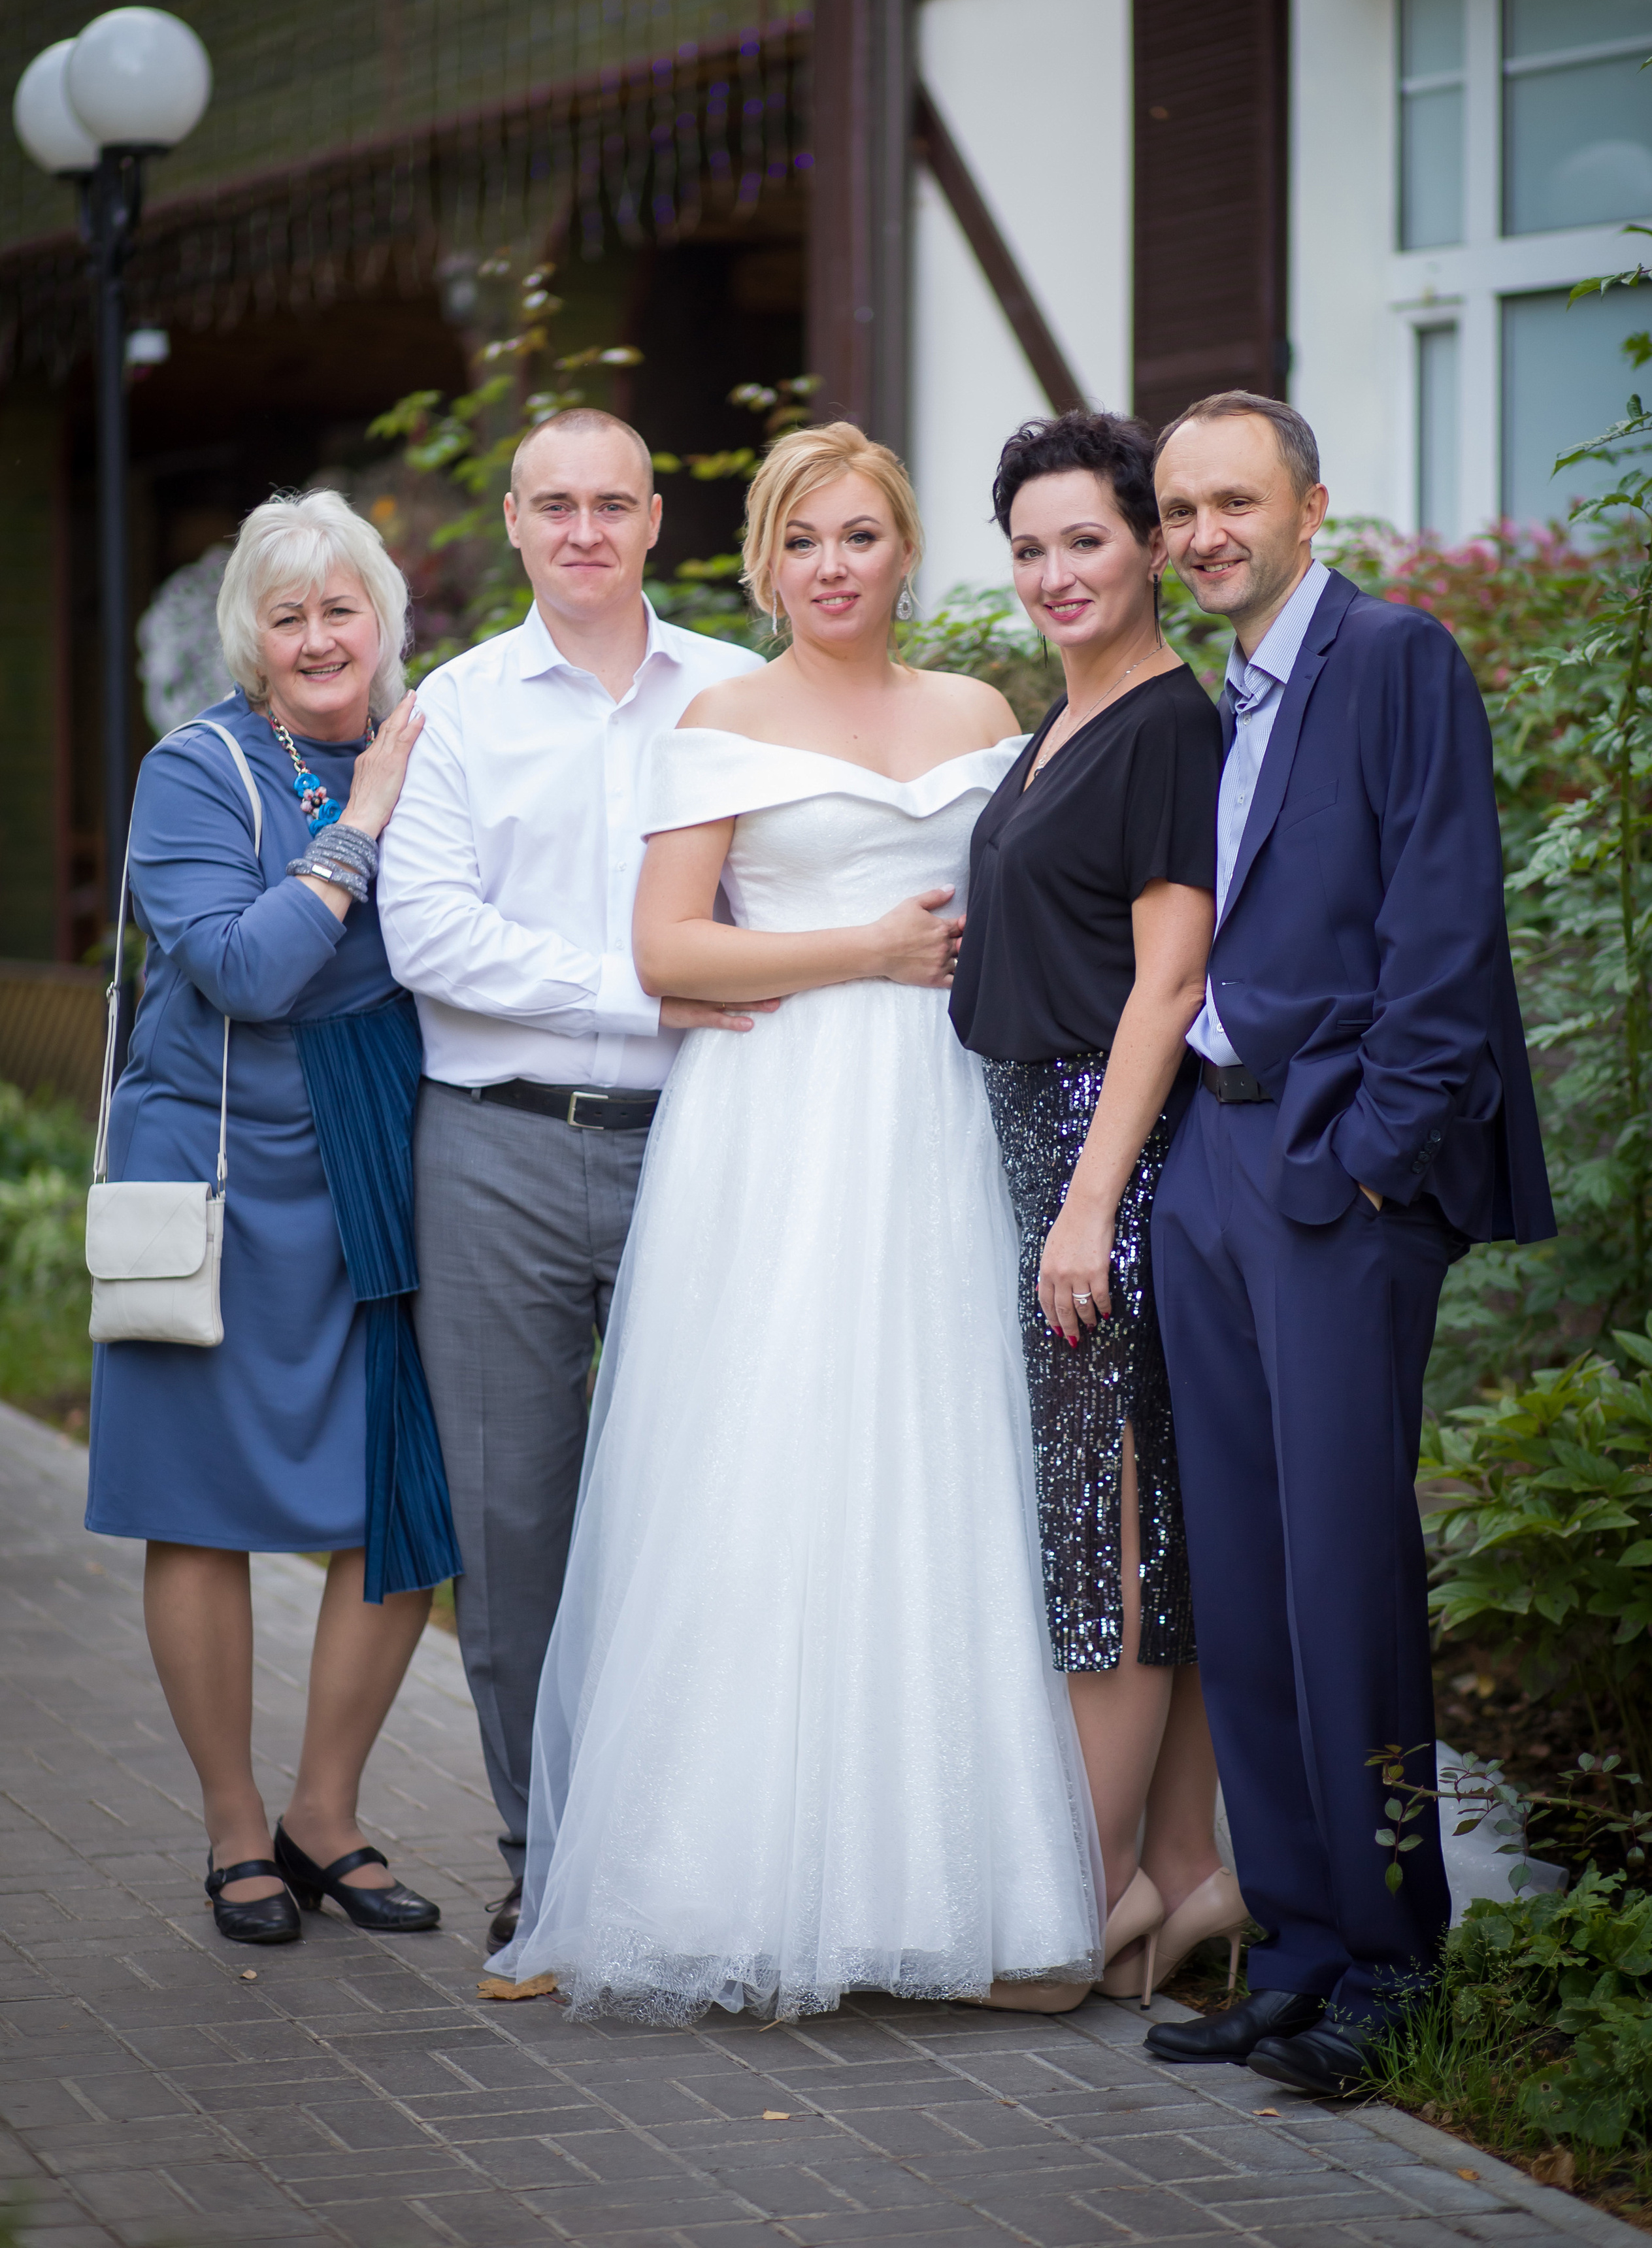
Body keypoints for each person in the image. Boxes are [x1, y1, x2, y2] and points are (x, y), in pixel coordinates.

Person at [489, 420, 1105, 2023]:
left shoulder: (980, 713)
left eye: (862, 538)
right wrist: (857, 951)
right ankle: (723, 1879)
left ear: (906, 554)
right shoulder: (720, 714)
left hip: (937, 1127)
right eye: (802, 540)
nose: (833, 568)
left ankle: (950, 1889)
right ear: (761, 563)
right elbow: (667, 954)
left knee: (933, 1460)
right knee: (763, 1462)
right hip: (775, 1130)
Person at [1142, 393, 1553, 2096]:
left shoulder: (1394, 659)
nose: (1203, 532)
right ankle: (1299, 1941)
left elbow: (1446, 924)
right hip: (1211, 1170)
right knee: (1242, 1576)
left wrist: (1375, 1161)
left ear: (1312, 503)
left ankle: (1394, 1955)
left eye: (1234, 500)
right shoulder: (1215, 698)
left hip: (1332, 1177)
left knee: (1347, 1573)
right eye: (1180, 509)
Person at [376, 410, 765, 1957]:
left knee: (717, 1510)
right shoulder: (456, 709)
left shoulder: (740, 692)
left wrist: (683, 990)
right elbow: (431, 941)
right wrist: (651, 980)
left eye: (614, 503)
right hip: (493, 1153)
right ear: (516, 528)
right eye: (556, 507)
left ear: (656, 518)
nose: (585, 531)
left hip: (710, 1147)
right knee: (516, 1524)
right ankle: (548, 1858)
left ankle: (699, 1852)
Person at [86, 489, 457, 1947]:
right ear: (252, 637)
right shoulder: (196, 772)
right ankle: (237, 1833)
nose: (317, 637)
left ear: (383, 621)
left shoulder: (438, 745)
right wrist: (359, 828)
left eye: (340, 609)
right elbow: (242, 971)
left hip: (380, 1143)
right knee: (202, 1509)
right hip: (218, 1164)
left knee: (395, 1498)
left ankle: (328, 1813)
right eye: (287, 615)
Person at [951, 412, 1244, 2009]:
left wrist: (1086, 1204)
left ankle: (1075, 1904)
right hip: (1045, 1148)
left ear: (1146, 547)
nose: (1054, 572)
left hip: (1098, 1157)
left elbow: (1167, 981)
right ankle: (1184, 1877)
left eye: (1085, 539)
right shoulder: (1058, 723)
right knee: (1139, 1525)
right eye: (1027, 546)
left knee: (1101, 1543)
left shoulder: (1160, 726)